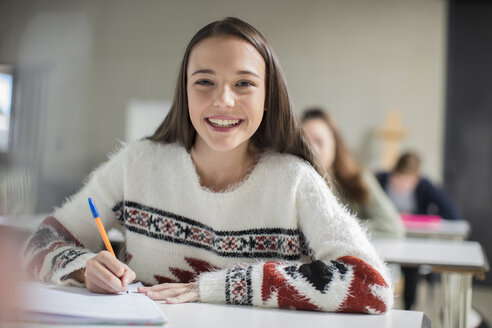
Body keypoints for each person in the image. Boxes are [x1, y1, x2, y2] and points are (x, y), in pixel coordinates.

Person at [23, 17, 393, 313]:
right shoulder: (136, 166)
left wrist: (213, 287)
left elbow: (372, 285)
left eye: (244, 84)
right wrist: (83, 267)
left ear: (268, 98)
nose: (223, 100)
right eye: (204, 82)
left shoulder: (293, 181)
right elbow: (38, 244)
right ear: (184, 91)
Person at [301, 108, 404, 240]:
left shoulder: (359, 178)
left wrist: (341, 228)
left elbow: (392, 227)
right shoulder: (296, 182)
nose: (312, 149)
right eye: (305, 142)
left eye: (319, 141)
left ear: (335, 144)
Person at [376, 151, 461, 310]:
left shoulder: (424, 185)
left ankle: (409, 306)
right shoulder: (380, 179)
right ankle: (378, 302)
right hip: (385, 237)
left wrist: (419, 217)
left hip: (411, 239)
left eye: (407, 180)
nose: (402, 185)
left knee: (411, 264)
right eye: (398, 179)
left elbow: (451, 212)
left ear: (417, 177)